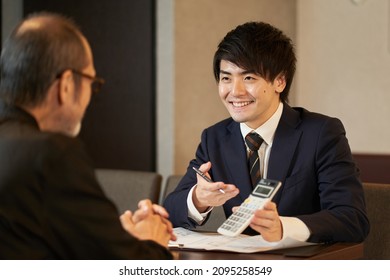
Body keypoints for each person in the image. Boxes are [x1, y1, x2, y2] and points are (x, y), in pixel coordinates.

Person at [164, 21, 370, 243]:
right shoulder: (214, 138)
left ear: (280, 81)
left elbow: (352, 218)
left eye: (249, 78)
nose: (235, 91)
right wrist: (198, 198)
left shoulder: (321, 134)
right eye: (226, 78)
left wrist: (283, 227)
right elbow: (170, 210)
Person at [0, 12, 175, 259]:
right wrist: (151, 242)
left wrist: (112, 234)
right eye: (92, 82)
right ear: (67, 84)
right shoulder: (50, 153)